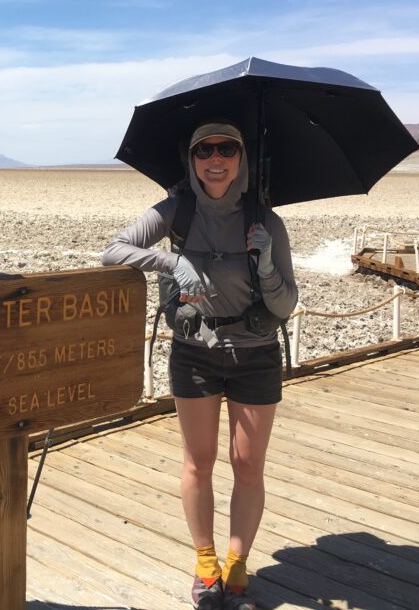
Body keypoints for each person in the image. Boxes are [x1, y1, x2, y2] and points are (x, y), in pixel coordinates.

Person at [103, 120, 297, 610]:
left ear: (241, 159)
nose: (216, 159)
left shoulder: (266, 221)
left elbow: (285, 304)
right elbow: (113, 251)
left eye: (227, 149)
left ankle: (236, 563)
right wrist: (171, 263)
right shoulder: (176, 211)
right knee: (199, 461)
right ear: (190, 160)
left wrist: (267, 264)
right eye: (204, 150)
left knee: (248, 465)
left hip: (256, 353)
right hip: (194, 351)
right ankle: (205, 564)